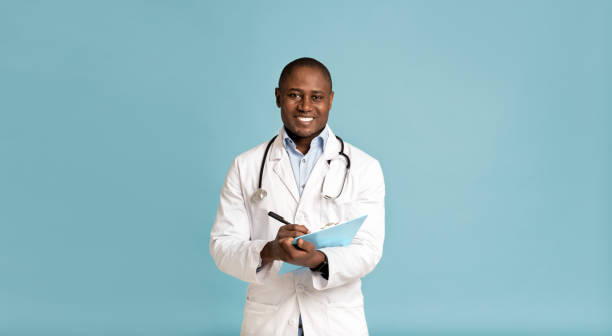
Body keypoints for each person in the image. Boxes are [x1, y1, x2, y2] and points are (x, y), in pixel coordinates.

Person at [210, 57, 385, 336]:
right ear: (278, 97)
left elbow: (368, 249)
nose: (305, 106)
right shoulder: (246, 166)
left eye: (316, 97)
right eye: (294, 95)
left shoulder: (364, 167)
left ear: (330, 100)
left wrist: (317, 260)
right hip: (269, 322)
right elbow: (222, 247)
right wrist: (270, 251)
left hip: (337, 322)